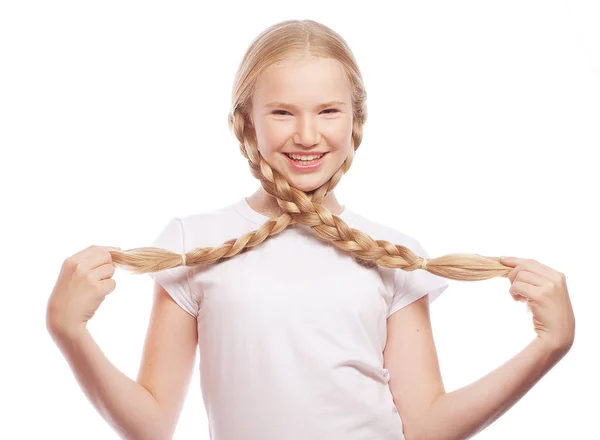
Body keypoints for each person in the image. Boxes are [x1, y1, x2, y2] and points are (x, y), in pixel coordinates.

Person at [46, 19, 575, 440]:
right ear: (246, 121)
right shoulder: (191, 244)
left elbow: (429, 426)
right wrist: (69, 331)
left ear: (354, 120)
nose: (306, 135)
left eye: (328, 111)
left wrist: (549, 346)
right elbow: (152, 425)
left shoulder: (395, 255)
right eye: (281, 111)